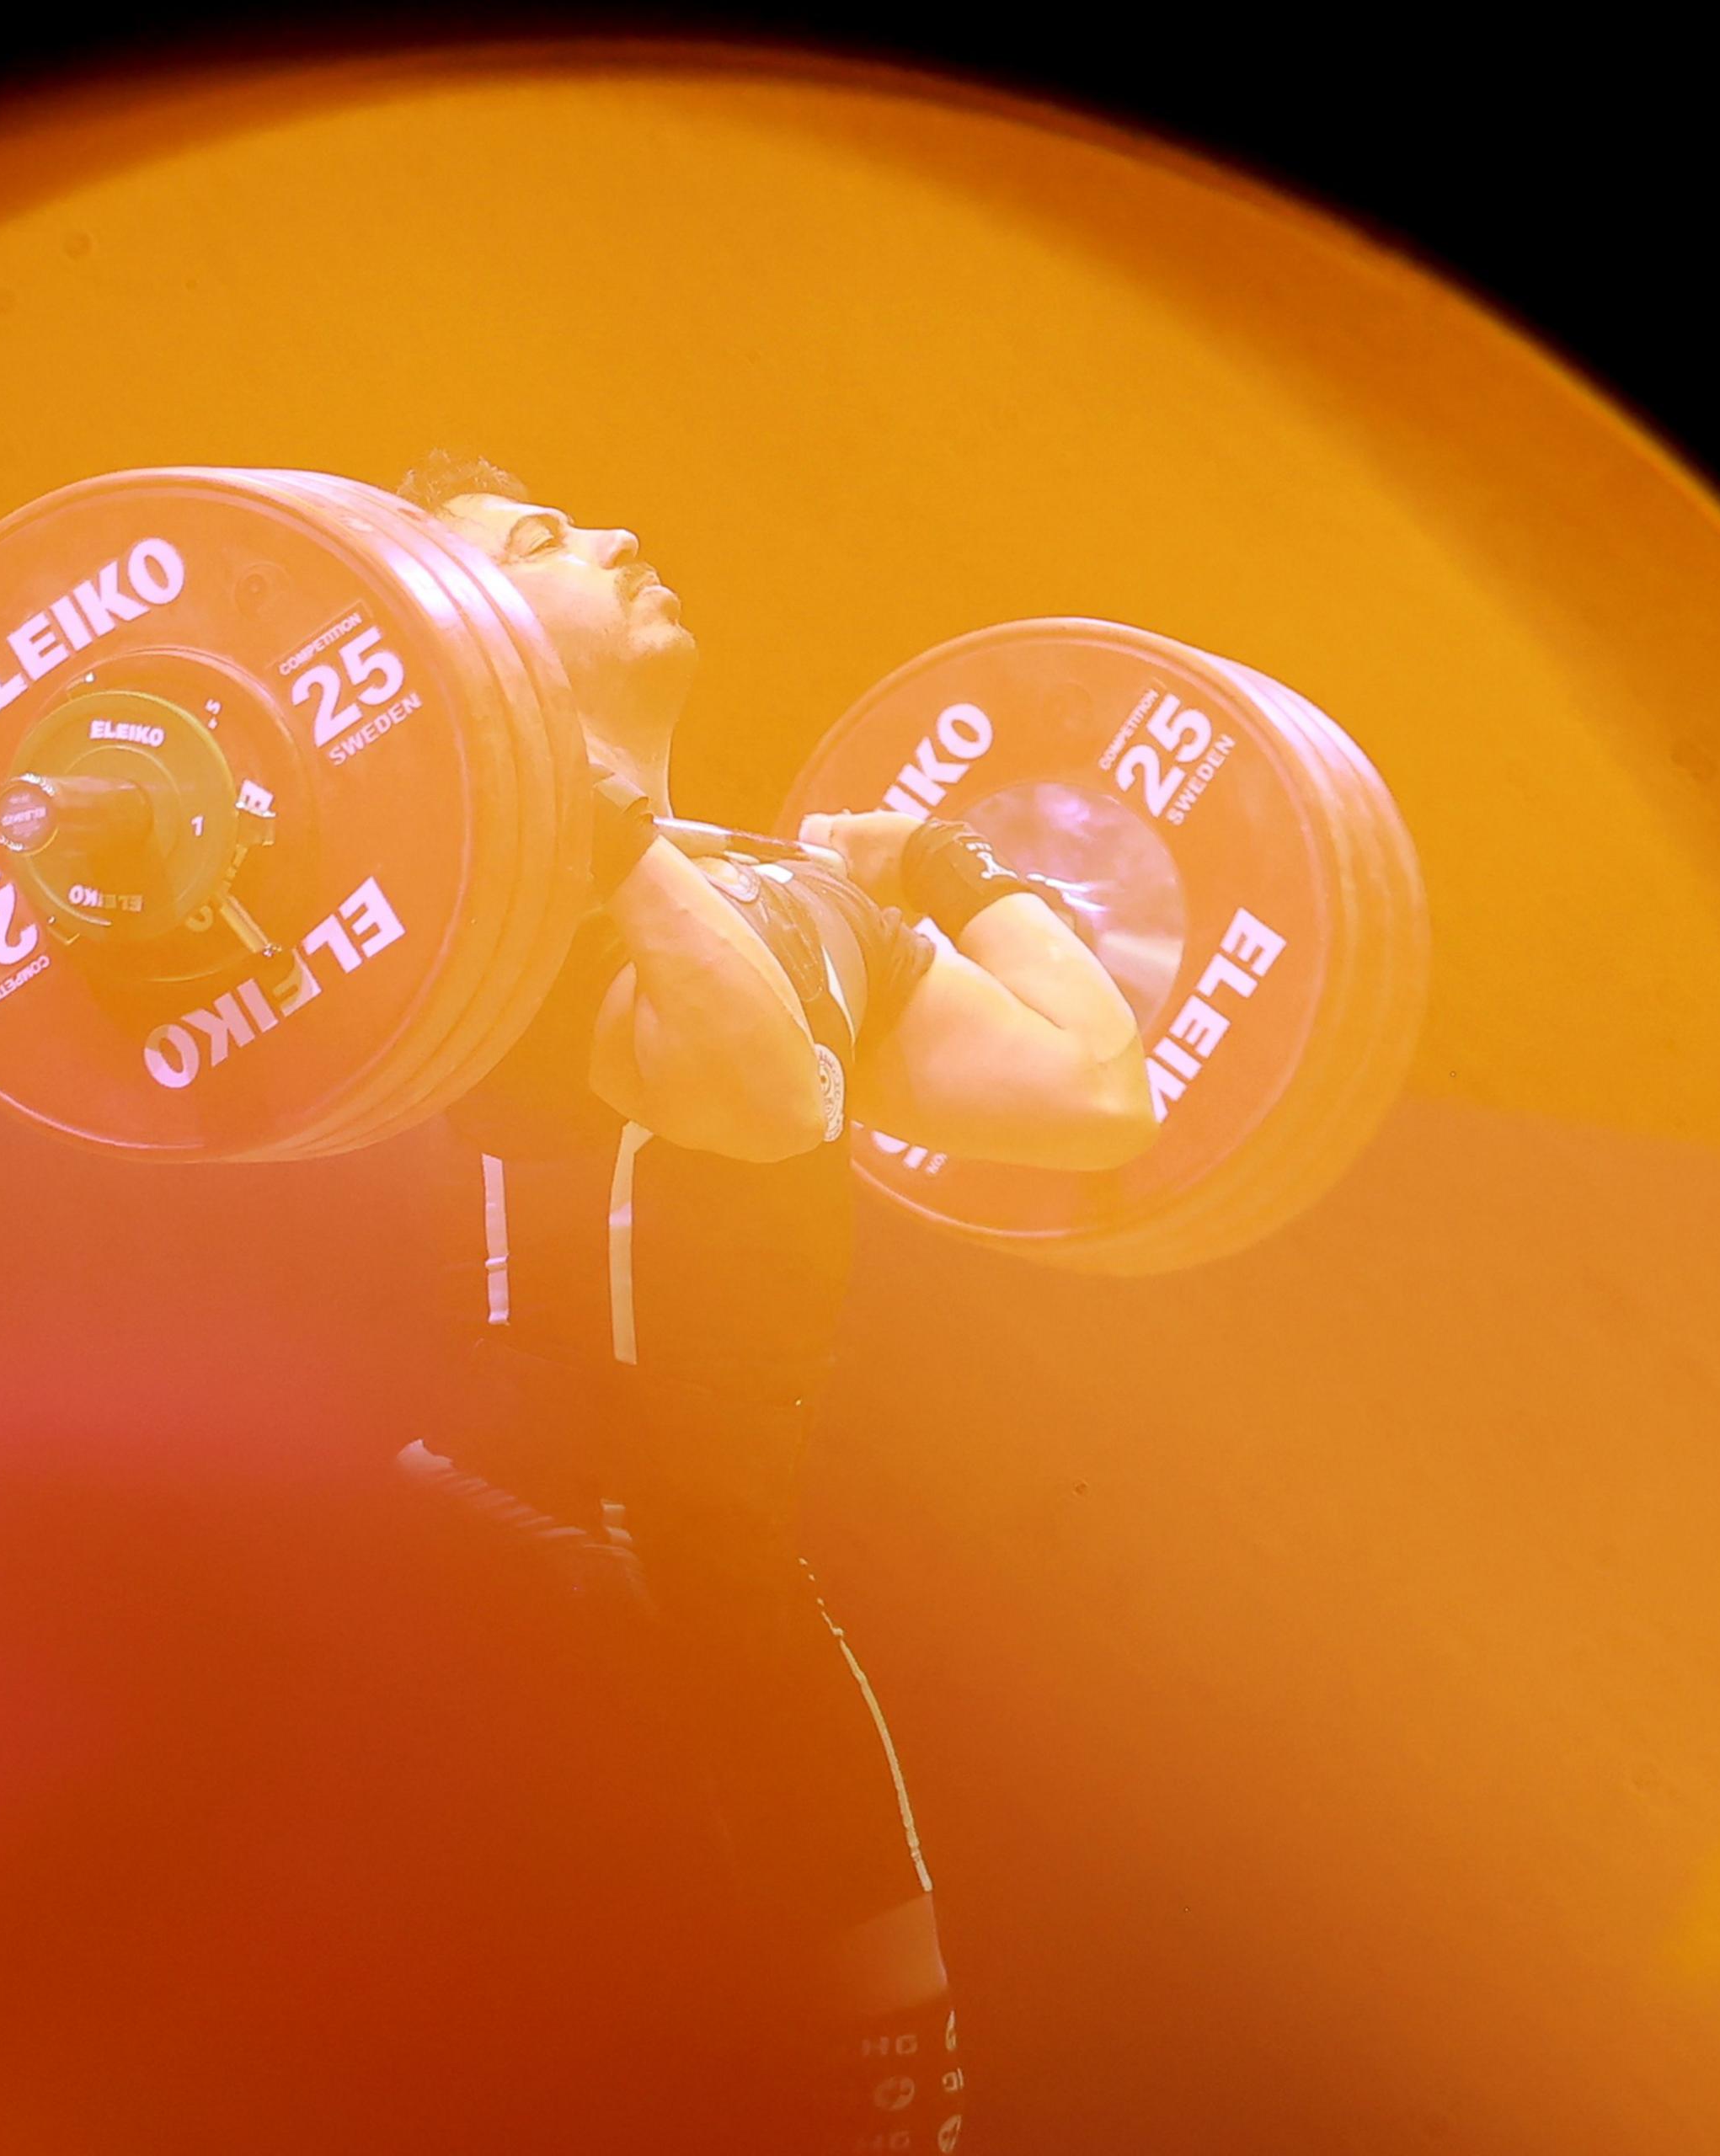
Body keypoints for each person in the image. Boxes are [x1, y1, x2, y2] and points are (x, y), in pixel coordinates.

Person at [386, 452, 1154, 2150]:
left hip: (725, 1599)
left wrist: (948, 869)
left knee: (875, 2102)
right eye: (539, 542)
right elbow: (766, 1100)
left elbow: (1094, 1096)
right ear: (459, 637)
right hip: (496, 1562)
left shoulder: (774, 888)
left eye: (584, 513)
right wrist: (596, 828)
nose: (614, 531)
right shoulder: (468, 901)